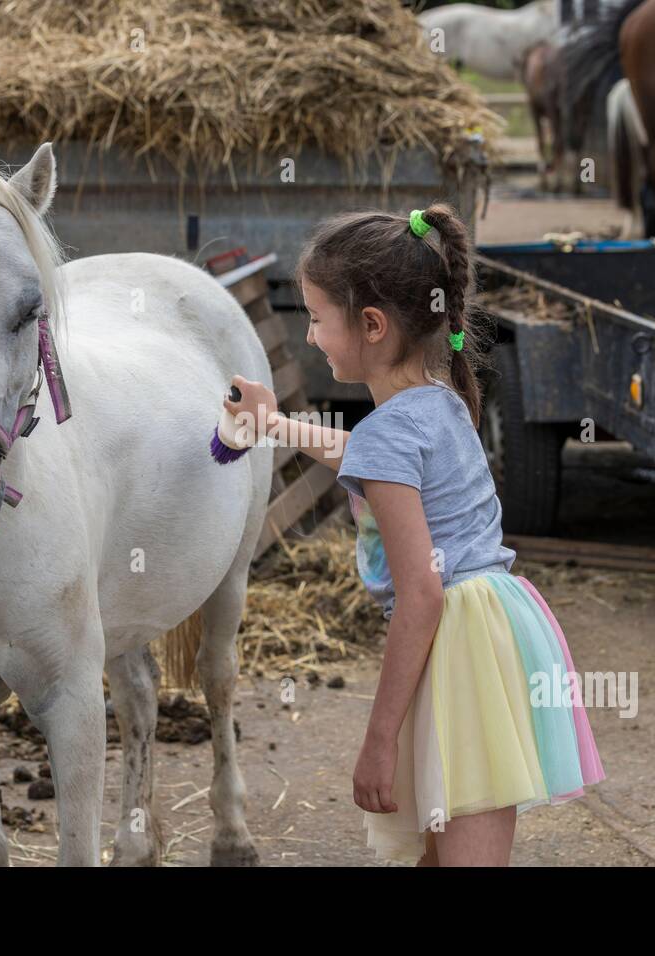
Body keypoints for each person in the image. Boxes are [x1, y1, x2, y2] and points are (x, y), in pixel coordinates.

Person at [223, 204, 605, 866]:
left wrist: (379, 738)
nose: (310, 337)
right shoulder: (437, 397)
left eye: (316, 318)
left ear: (371, 325)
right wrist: (276, 425)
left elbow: (420, 594)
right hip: (485, 632)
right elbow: (368, 458)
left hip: (459, 646)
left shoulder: (392, 431)